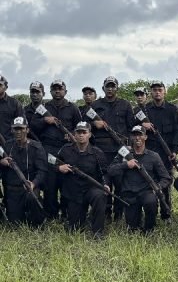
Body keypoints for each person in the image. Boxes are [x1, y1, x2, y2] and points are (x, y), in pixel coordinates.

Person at [30, 80, 81, 219]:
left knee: (67, 182)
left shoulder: (73, 108)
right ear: (51, 91)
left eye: (60, 88)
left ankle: (66, 213)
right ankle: (51, 214)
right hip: (48, 148)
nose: (57, 91)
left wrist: (72, 135)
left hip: (67, 149)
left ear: (65, 91)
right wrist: (45, 121)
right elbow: (32, 125)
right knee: (50, 183)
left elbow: (81, 127)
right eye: (54, 89)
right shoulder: (43, 107)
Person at [108, 125, 171, 233]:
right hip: (130, 195)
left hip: (147, 192)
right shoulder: (123, 154)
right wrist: (126, 165)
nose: (137, 138)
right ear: (131, 137)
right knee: (132, 229)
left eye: (140, 135)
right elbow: (110, 170)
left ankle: (149, 228)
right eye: (135, 135)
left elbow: (166, 178)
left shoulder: (153, 156)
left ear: (145, 137)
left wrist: (157, 188)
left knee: (151, 202)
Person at [134, 80, 178, 217]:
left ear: (164, 91)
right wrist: (143, 125)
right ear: (151, 93)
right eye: (154, 90)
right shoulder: (143, 111)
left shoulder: (173, 110)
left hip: (166, 154)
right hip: (148, 154)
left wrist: (174, 151)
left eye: (160, 89)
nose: (157, 92)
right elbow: (134, 130)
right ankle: (149, 212)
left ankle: (166, 213)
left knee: (165, 183)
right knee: (147, 181)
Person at [88, 77, 135, 220]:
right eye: (107, 86)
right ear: (103, 88)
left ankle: (119, 213)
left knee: (120, 181)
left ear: (117, 88)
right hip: (101, 148)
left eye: (113, 86)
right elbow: (85, 125)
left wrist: (129, 146)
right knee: (104, 181)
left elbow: (131, 127)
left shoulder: (125, 105)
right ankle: (106, 212)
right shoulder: (95, 105)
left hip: (119, 148)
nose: (110, 89)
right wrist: (94, 123)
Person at [57, 122, 110, 239]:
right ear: (74, 134)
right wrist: (59, 167)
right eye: (78, 132)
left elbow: (104, 173)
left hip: (90, 189)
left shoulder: (97, 153)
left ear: (89, 134)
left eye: (84, 132)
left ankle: (98, 231)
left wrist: (105, 185)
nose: (81, 135)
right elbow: (51, 162)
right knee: (75, 229)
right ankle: (80, 219)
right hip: (73, 192)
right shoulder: (65, 150)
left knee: (100, 196)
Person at [0, 117, 47, 226]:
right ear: (12, 130)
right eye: (15, 129)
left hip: (29, 188)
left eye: (21, 128)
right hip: (12, 190)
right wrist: (2, 161)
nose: (18, 132)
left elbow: (42, 171)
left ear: (27, 130)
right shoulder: (7, 145)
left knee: (33, 201)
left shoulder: (37, 147)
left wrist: (33, 183)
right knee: (15, 224)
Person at [0, 74, 24, 142]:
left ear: (6, 87)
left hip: (9, 144)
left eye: (0, 85)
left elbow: (21, 125)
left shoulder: (15, 103)